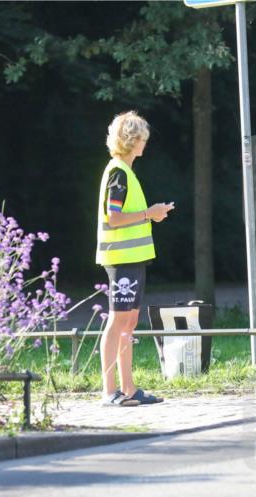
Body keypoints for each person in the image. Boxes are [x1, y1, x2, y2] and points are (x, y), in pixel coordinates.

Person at [97, 111, 175, 406]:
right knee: (118, 322)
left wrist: (152, 215)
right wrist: (148, 214)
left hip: (133, 258)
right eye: (142, 137)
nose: (145, 143)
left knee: (128, 322)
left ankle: (128, 389)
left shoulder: (124, 171)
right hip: (121, 259)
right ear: (131, 140)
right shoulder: (118, 172)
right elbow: (113, 217)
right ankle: (109, 391)